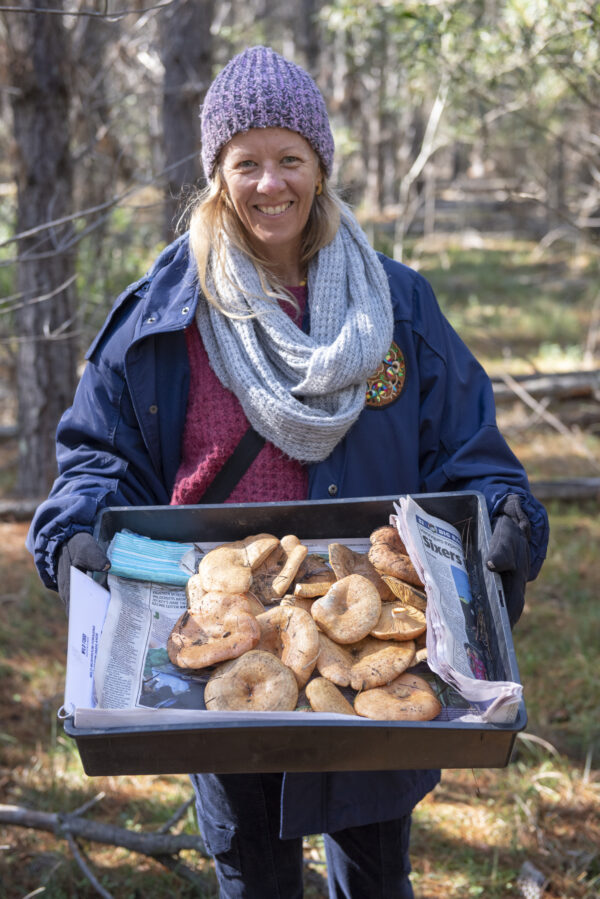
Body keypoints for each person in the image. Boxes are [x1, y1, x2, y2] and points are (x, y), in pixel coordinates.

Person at [27, 45, 549, 899]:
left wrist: (505, 513)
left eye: (290, 159)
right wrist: (78, 526)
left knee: (376, 869)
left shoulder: (393, 304)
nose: (271, 184)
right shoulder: (167, 313)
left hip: (371, 629)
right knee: (253, 871)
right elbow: (100, 453)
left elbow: (467, 445)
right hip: (219, 637)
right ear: (216, 174)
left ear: (320, 167)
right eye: (247, 163)